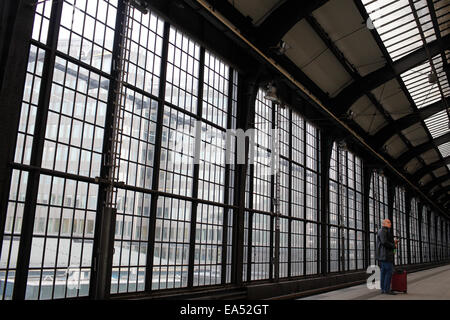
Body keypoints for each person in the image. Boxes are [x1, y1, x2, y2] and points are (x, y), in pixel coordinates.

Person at [376, 219, 399, 295]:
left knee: (383, 272)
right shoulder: (383, 231)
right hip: (385, 255)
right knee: (389, 271)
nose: (390, 224)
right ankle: (386, 289)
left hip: (383, 255)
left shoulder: (384, 231)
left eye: (390, 222)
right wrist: (393, 245)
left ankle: (383, 289)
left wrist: (394, 242)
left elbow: (385, 241)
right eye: (388, 222)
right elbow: (384, 242)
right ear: (384, 223)